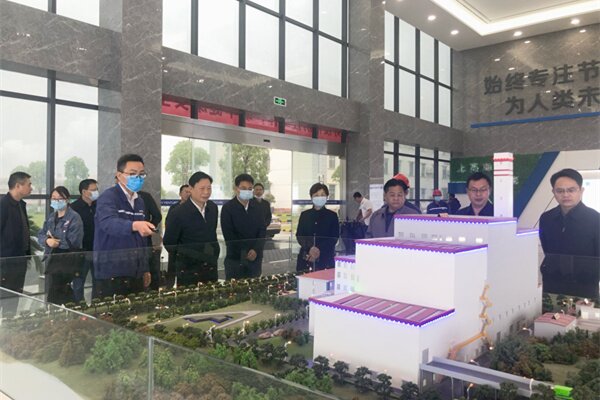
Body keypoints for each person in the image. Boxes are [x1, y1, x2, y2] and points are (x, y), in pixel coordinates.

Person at [93, 154, 154, 298]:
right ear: (119, 175)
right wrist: (134, 225)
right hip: (112, 271)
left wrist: (144, 268)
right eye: (132, 174)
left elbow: (141, 238)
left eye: (141, 174)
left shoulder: (139, 201)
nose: (137, 178)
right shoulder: (108, 197)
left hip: (135, 271)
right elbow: (108, 223)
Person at [539, 168, 600, 298]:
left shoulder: (595, 219)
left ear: (581, 191)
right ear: (553, 192)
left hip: (584, 286)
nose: (565, 195)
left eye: (571, 190)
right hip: (552, 283)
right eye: (560, 191)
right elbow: (547, 249)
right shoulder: (546, 218)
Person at [163, 171, 220, 285]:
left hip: (210, 266)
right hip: (189, 270)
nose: (206, 192)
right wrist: (186, 257)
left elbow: (212, 234)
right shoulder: (178, 212)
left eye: (209, 188)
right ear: (191, 189)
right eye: (202, 188)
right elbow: (169, 243)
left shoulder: (213, 208)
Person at [37, 186, 84, 305]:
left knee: (61, 290)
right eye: (54, 198)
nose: (56, 201)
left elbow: (74, 241)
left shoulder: (74, 217)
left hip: (68, 259)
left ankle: (73, 309)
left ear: (67, 199)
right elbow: (41, 234)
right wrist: (47, 241)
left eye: (60, 198)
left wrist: (56, 242)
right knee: (55, 291)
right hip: (53, 259)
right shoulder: (51, 217)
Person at [221, 174, 266, 280]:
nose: (247, 191)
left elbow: (262, 231)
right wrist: (245, 252)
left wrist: (255, 250)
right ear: (236, 189)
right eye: (243, 188)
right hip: (236, 260)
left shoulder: (258, 207)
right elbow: (229, 235)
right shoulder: (228, 208)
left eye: (250, 189)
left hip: (255, 260)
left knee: (255, 287)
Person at [0, 172, 33, 316]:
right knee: (5, 298)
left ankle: (10, 324)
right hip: (5, 263)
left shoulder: (20, 204)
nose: (31, 188)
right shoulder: (3, 205)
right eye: (29, 185)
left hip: (19, 261)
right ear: (18, 186)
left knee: (13, 299)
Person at [296, 183, 340, 271]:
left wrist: (318, 250)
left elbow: (334, 237)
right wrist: (310, 248)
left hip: (326, 258)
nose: (319, 197)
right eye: (316, 195)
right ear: (311, 197)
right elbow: (300, 235)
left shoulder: (332, 216)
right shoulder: (305, 215)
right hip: (306, 257)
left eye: (322, 195)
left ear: (327, 196)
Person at [70, 178, 99, 303]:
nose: (96, 192)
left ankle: (97, 306)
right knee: (78, 282)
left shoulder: (99, 206)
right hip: (81, 251)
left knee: (98, 281)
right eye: (93, 190)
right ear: (84, 192)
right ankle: (79, 306)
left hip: (97, 249)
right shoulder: (74, 208)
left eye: (97, 189)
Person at [138, 190, 163, 290]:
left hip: (143, 240)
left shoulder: (145, 196)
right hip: (140, 240)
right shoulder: (114, 197)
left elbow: (157, 216)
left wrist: (149, 228)